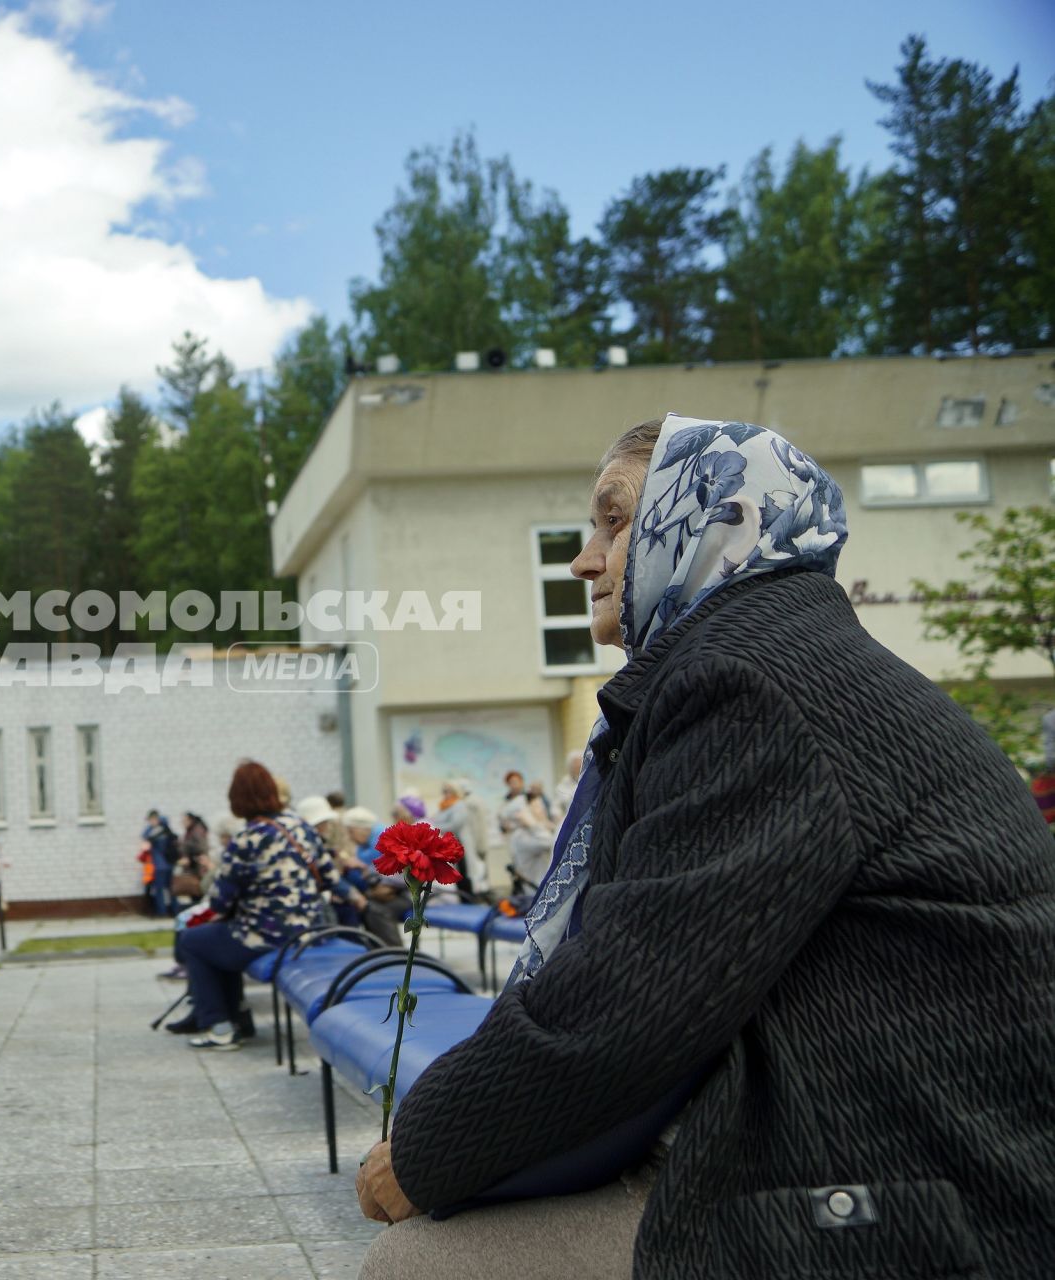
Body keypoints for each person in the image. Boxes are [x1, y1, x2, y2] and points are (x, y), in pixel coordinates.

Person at [355, 415, 1055, 1279]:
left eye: (613, 520)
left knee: (420, 1267)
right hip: (879, 1142)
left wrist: (426, 1147)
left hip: (915, 1193)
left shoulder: (748, 682)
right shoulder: (779, 656)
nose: (583, 559)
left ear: (710, 515)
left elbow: (631, 998)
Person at [169, 760, 336, 1049]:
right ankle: (239, 1020)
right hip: (310, 931)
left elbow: (221, 901)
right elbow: (330, 877)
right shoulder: (301, 827)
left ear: (237, 799)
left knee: (194, 940)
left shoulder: (247, 838)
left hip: (268, 936)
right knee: (217, 941)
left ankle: (220, 1026)